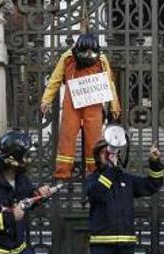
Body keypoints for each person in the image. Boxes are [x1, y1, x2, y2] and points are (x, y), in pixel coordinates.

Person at [40, 32, 121, 179]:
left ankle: (94, 171)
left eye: (92, 53)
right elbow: (55, 80)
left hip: (94, 104)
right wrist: (46, 100)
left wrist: (115, 105)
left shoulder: (102, 59)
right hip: (72, 103)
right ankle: (62, 173)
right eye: (85, 53)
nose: (89, 56)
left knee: (94, 139)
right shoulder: (67, 57)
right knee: (67, 136)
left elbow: (110, 83)